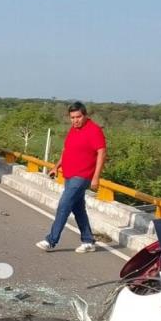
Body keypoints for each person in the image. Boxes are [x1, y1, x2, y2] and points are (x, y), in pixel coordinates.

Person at [36, 102, 106, 253]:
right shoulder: (73, 130)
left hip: (82, 175)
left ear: (85, 115)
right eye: (72, 117)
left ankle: (51, 240)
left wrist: (96, 177)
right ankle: (88, 241)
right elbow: (67, 150)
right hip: (69, 174)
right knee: (78, 208)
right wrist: (56, 166)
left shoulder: (94, 130)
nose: (75, 120)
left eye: (78, 117)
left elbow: (101, 153)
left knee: (64, 205)